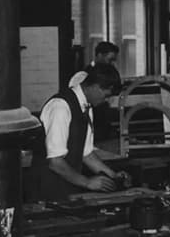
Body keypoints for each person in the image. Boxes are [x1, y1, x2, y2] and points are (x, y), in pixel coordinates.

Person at [33, 62, 128, 201]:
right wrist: (87, 182)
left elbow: (86, 153)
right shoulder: (60, 107)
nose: (106, 101)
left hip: (68, 186)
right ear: (95, 87)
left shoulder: (86, 107)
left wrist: (113, 176)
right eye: (106, 96)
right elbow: (55, 162)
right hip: (47, 188)